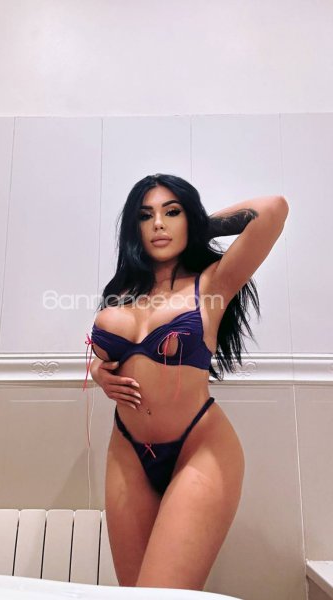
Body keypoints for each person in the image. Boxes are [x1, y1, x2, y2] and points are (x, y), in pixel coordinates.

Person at [83, 173, 289, 591]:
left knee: (163, 594)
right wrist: (98, 373)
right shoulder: (123, 293)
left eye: (171, 212)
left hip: (200, 447)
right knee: (135, 594)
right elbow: (110, 355)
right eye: (146, 216)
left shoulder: (213, 284)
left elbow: (273, 210)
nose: (158, 224)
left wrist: (197, 226)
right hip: (127, 449)